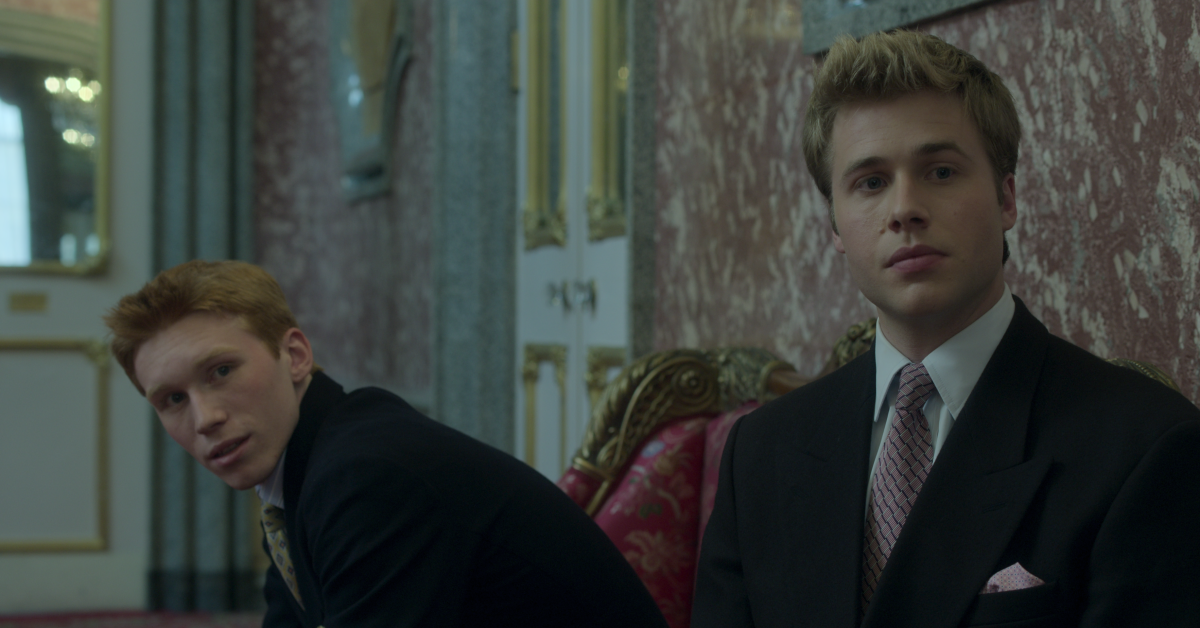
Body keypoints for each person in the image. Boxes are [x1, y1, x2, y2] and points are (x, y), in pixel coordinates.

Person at [693, 30, 1200, 627]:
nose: (904, 209)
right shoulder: (761, 451)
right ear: (835, 227)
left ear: (1006, 199)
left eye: (940, 171)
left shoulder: (1146, 445)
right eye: (871, 182)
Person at [105, 259, 667, 628]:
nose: (206, 418)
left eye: (222, 371)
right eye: (172, 400)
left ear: (295, 356)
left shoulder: (366, 476)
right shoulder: (306, 462)